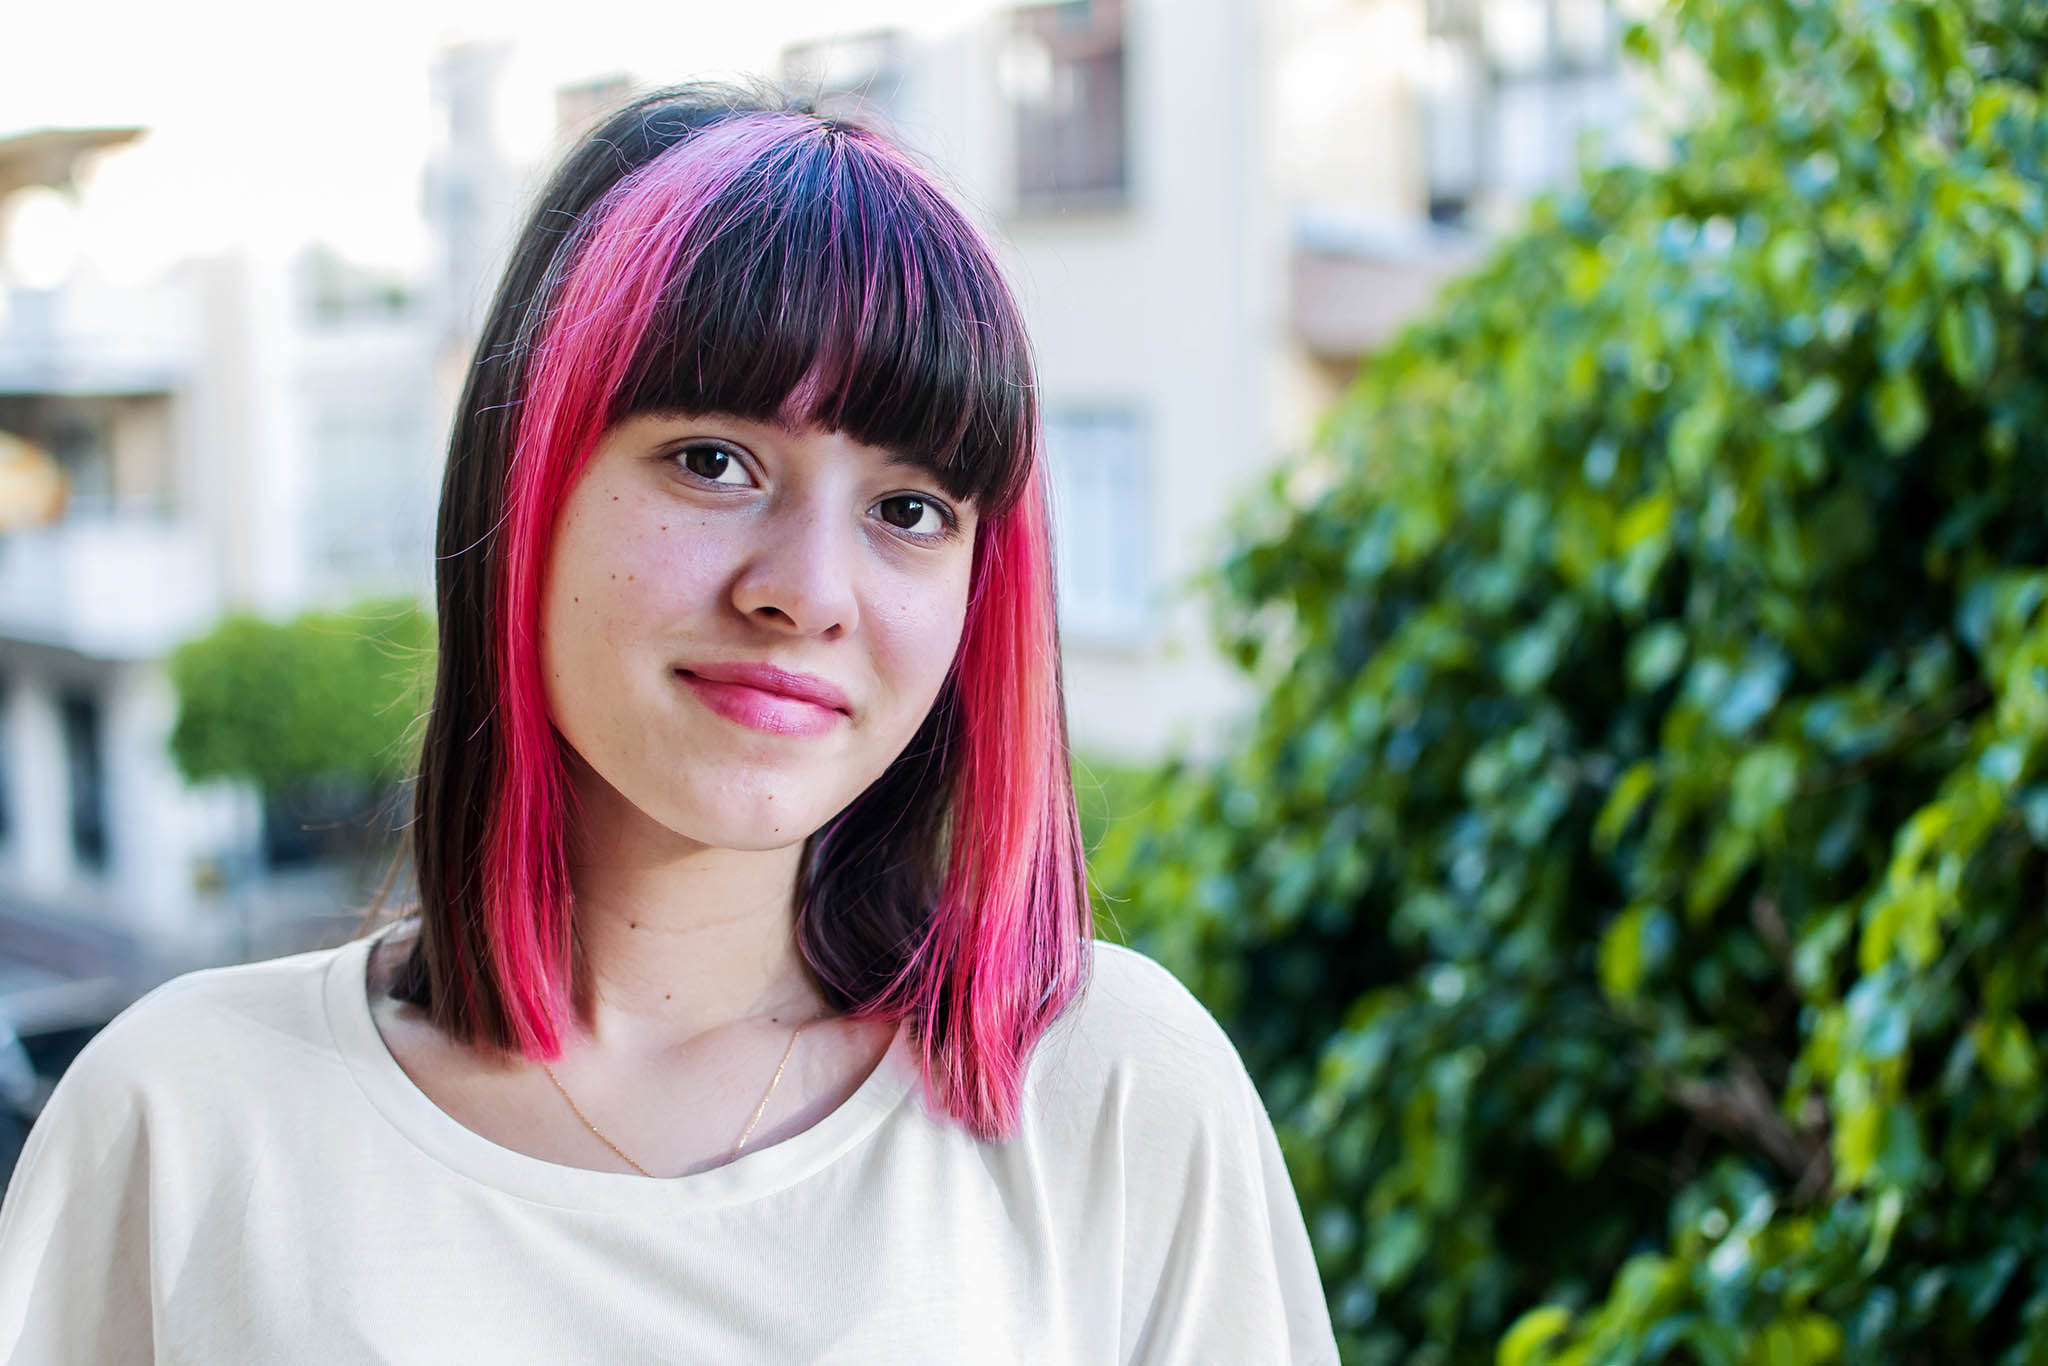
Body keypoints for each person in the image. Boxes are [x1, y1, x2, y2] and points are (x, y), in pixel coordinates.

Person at [0, 86, 1339, 1363]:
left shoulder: (1113, 1095)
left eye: (911, 507)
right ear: (529, 488)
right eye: (715, 460)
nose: (808, 592)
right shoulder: (178, 1123)